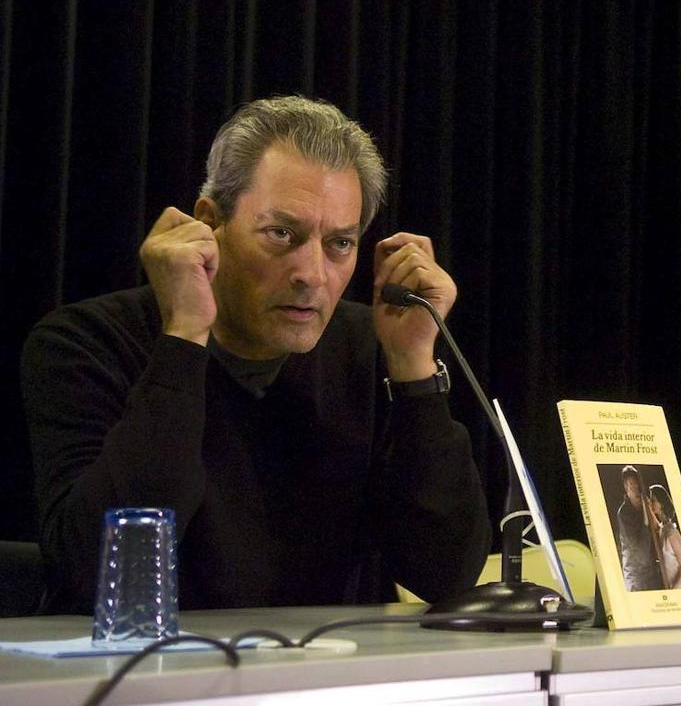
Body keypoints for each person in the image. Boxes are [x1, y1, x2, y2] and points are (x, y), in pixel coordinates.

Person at [21, 95, 491, 613]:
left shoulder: (370, 348)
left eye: (339, 243)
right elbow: (95, 572)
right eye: (281, 233)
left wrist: (414, 370)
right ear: (208, 223)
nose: (311, 274)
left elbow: (447, 576)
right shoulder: (84, 343)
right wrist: (183, 338)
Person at [615, 465, 662, 591]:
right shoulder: (624, 513)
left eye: (637, 486)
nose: (635, 490)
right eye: (631, 486)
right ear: (626, 488)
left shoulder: (645, 505)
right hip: (636, 576)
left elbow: (659, 530)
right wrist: (646, 516)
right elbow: (640, 552)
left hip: (652, 572)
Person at [648, 483, 681, 589]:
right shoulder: (664, 528)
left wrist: (673, 592)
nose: (651, 503)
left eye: (653, 500)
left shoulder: (671, 532)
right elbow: (658, 526)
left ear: (661, 503)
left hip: (679, 589)